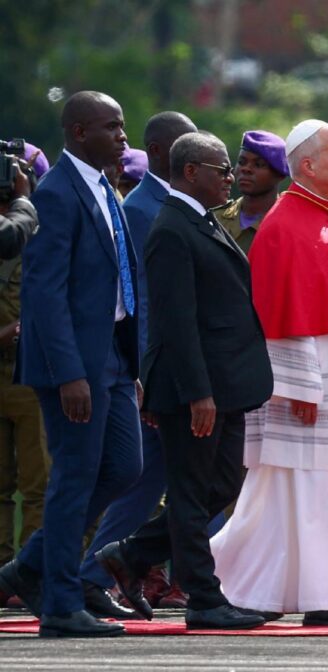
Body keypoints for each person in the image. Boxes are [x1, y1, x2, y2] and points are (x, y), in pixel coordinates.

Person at [209, 119, 328, 627]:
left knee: (306, 494)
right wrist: (297, 385)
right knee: (311, 492)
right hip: (313, 393)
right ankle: (326, 597)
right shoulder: (286, 225)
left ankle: (267, 590)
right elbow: (282, 312)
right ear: (309, 166)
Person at [96, 131, 273, 631]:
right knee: (192, 494)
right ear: (191, 172)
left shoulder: (201, 219)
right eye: (222, 169)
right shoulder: (172, 229)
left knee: (223, 483)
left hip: (224, 383)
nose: (231, 177)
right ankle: (203, 597)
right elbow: (175, 321)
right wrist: (199, 393)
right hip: (196, 387)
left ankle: (133, 554)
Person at [0, 91, 143, 638]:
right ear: (79, 133)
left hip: (113, 354)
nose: (123, 137)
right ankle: (60, 603)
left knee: (124, 467)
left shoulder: (104, 187)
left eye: (123, 126)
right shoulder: (56, 193)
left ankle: (30, 565)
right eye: (112, 127)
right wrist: (69, 374)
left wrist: (128, 361)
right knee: (74, 478)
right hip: (75, 365)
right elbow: (44, 294)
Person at [78, 111, 197, 615]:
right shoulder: (143, 209)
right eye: (185, 143)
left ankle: (89, 575)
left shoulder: (168, 203)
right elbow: (142, 303)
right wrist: (145, 377)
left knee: (149, 481)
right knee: (152, 480)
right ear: (160, 150)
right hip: (156, 374)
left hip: (168, 369)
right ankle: (79, 573)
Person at [0, 155, 48, 609]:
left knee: (39, 483)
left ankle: (26, 574)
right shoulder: (17, 227)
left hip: (28, 375)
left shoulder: (43, 230)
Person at [212, 130, 287, 255]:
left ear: (280, 174)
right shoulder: (215, 218)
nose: (246, 169)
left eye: (258, 164)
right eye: (242, 162)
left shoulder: (287, 225)